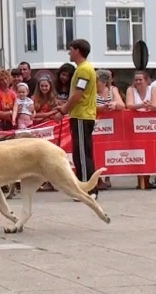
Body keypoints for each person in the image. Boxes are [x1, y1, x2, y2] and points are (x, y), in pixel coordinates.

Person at [55, 39, 99, 200]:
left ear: (78, 51)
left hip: (82, 115)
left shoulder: (84, 70)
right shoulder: (83, 69)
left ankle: (88, 190)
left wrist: (64, 109)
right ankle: (86, 188)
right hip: (80, 115)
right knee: (81, 153)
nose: (69, 52)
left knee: (82, 154)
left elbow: (78, 94)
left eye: (71, 49)